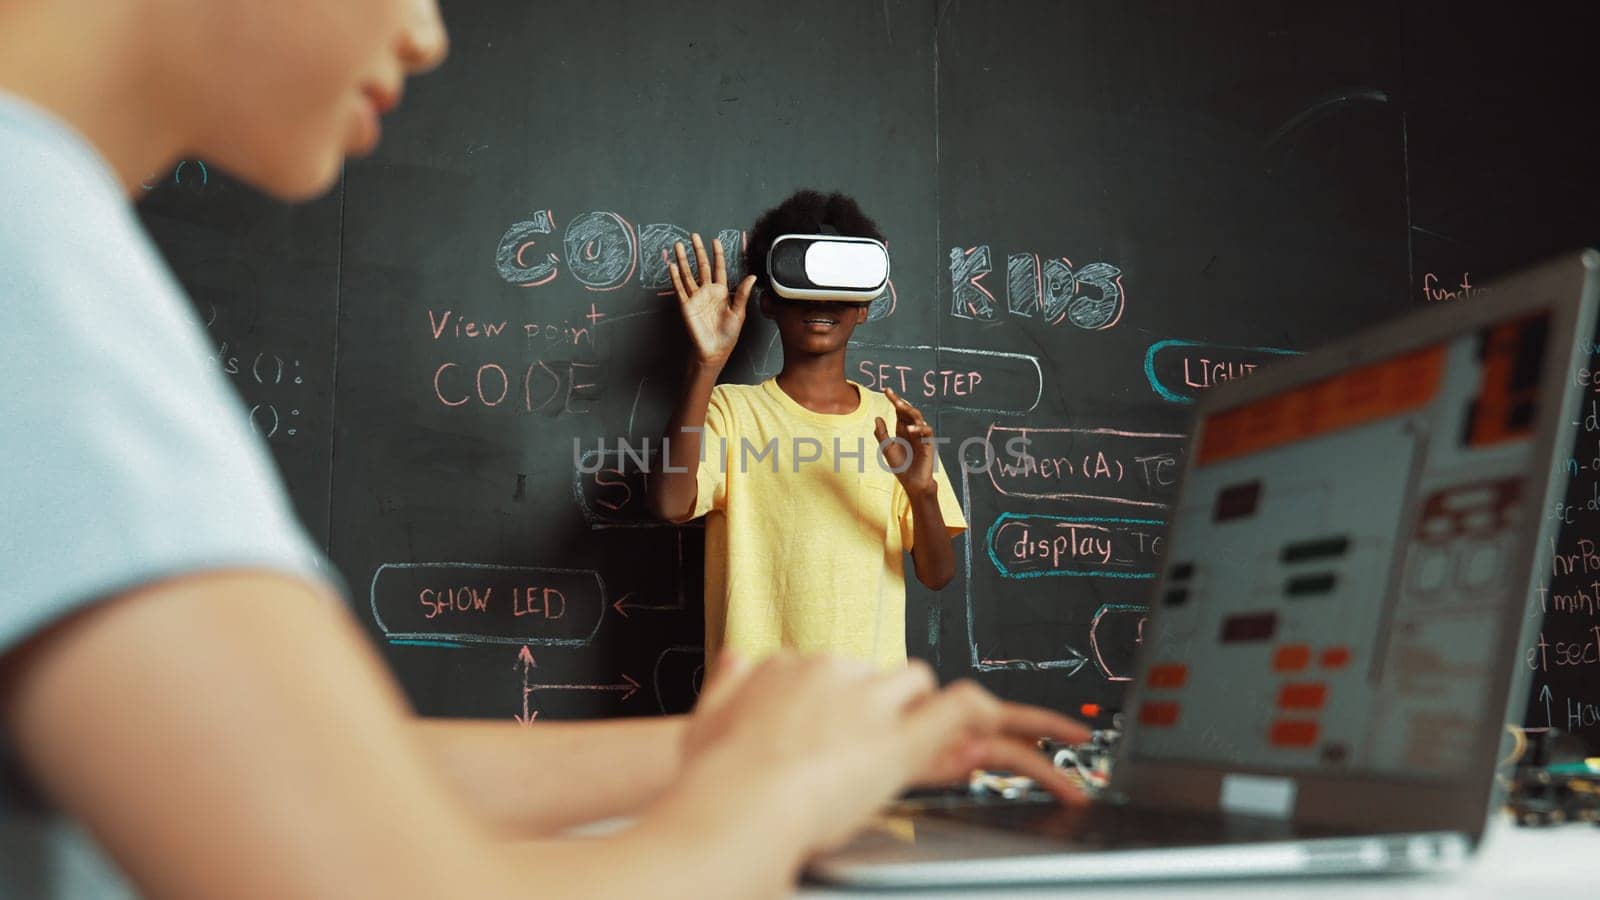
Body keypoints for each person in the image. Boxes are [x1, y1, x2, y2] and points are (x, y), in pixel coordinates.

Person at [0, 1, 1090, 897]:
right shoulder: (30, 251)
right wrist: (788, 785)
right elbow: (376, 872)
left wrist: (754, 747)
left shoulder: (49, 230)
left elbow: (298, 775)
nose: (429, 34)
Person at [649, 191, 966, 670]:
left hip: (867, 709)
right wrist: (706, 363)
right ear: (770, 301)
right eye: (804, 285)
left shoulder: (894, 423)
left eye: (841, 288)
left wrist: (921, 493)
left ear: (863, 306)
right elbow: (670, 504)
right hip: (755, 710)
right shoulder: (732, 410)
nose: (822, 302)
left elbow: (937, 574)